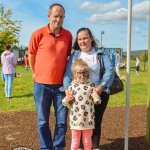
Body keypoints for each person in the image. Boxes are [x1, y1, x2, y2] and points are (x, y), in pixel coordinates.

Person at [28, 3, 72, 150]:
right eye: (55, 16)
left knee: (61, 121)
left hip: (61, 86)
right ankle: (46, 148)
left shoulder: (68, 35)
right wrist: (35, 73)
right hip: (41, 85)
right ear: (49, 16)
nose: (58, 19)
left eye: (61, 17)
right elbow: (32, 55)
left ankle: (58, 147)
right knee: (42, 121)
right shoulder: (38, 34)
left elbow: (67, 58)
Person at [63, 27, 114, 150]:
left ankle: (94, 147)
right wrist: (66, 89)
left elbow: (110, 70)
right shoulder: (75, 55)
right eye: (80, 39)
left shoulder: (100, 53)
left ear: (91, 38)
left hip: (98, 92)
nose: (82, 41)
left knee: (95, 122)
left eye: (85, 38)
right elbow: (67, 74)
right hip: (78, 95)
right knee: (80, 122)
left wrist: (101, 86)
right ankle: (80, 147)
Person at [62, 59, 101, 150]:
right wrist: (67, 99)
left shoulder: (91, 85)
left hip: (88, 120)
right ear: (75, 74)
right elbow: (65, 102)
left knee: (87, 141)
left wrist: (96, 98)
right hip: (75, 120)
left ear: (88, 73)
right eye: (79, 73)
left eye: (85, 73)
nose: (82, 75)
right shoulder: (72, 86)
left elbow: (96, 98)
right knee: (75, 141)